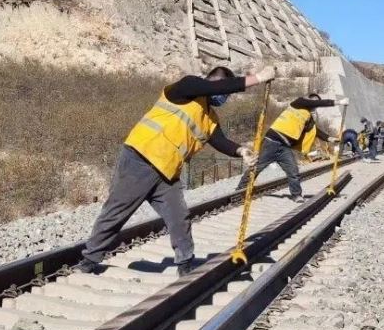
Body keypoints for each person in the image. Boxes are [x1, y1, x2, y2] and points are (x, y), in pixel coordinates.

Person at [78, 65, 275, 277]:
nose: (224, 97)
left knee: (179, 217)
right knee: (117, 211)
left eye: (226, 95)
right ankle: (89, 260)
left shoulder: (209, 117)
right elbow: (214, 86)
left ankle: (185, 265)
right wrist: (257, 78)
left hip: (166, 173)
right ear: (211, 83)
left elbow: (219, 141)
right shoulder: (185, 88)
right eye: (223, 92)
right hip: (141, 158)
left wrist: (240, 150)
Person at [237, 93, 346, 203]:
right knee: (256, 168)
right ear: (308, 100)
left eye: (316, 102)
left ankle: (296, 195)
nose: (314, 103)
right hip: (271, 142)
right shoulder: (298, 103)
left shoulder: (308, 118)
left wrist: (330, 138)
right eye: (313, 100)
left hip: (285, 147)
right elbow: (313, 102)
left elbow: (316, 131)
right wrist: (337, 102)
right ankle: (240, 191)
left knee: (293, 171)